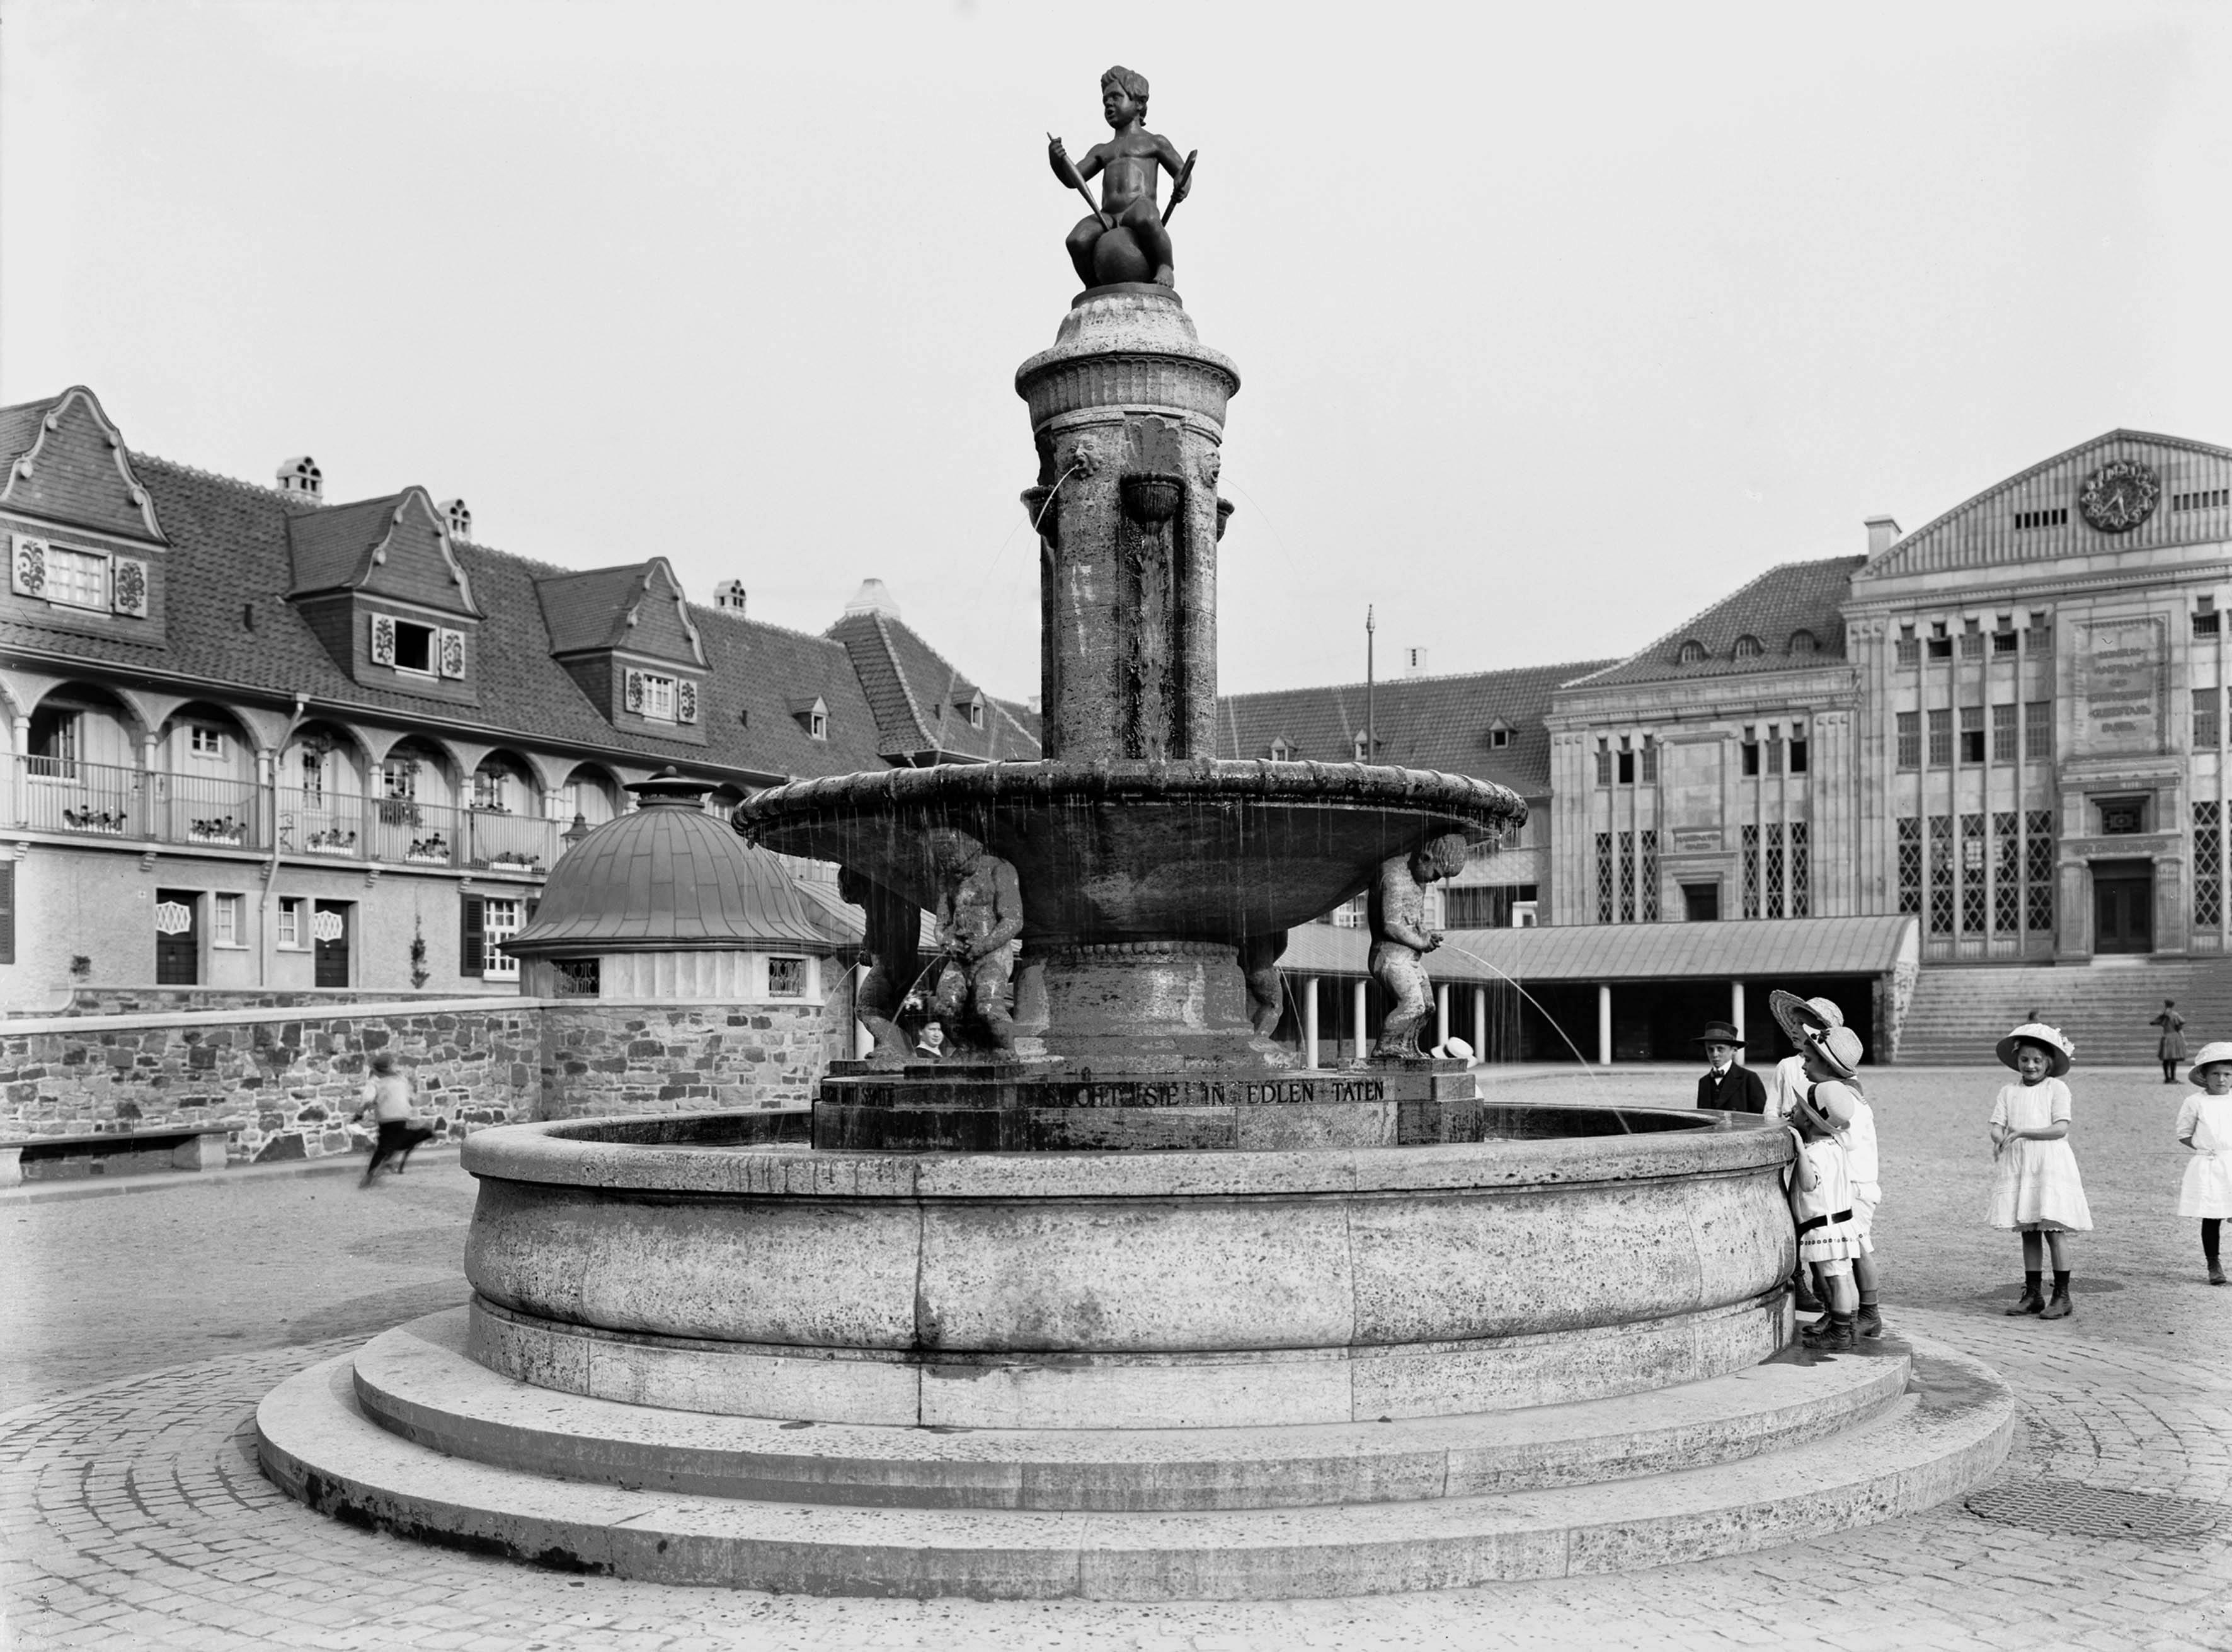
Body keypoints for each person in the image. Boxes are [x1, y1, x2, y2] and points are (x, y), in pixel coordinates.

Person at [1049, 67, 1192, 289]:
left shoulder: (1154, 142)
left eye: (1116, 97)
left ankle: (1165, 265)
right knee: (1077, 239)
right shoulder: (1102, 150)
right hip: (1107, 215)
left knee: (1148, 219)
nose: (1109, 104)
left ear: (1139, 103)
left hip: (1137, 207)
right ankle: (1094, 284)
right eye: (1105, 100)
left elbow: (1182, 172)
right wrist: (1057, 161)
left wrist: (1183, 186)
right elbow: (1073, 179)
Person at [1988, 1022, 2092, 1319]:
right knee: (2029, 1232)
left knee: (2053, 1229)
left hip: (2049, 1164)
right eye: (2025, 1060)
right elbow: (1997, 1125)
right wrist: (2000, 1138)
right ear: (2017, 1060)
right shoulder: (2009, 1091)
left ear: (2049, 1062)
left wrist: (2021, 1133)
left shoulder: (2057, 1088)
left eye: (2037, 1060)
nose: (2031, 1066)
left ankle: (2062, 1296)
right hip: (2022, 1164)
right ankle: (2033, 1294)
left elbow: (2060, 1129)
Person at [1785, 1030, 1867, 1350]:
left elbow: (1809, 1183)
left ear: (1810, 1121)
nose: (1794, 1116)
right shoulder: (1835, 1145)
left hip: (1826, 1225)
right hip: (1841, 1222)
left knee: (1835, 1275)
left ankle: (1841, 1331)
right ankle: (1841, 1324)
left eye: (1798, 1113)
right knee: (1844, 1274)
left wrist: (1800, 1151)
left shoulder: (1817, 1153)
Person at [925, 827, 1024, 1057]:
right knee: (945, 1007)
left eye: (951, 856)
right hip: (960, 957)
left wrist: (984, 946)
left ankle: (1006, 1050)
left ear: (970, 847)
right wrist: (946, 942)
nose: (948, 864)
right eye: (942, 858)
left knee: (988, 1008)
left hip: (993, 955)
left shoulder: (999, 869)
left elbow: (1013, 919)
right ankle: (965, 1048)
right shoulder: (948, 878)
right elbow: (941, 923)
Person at [1368, 835, 1470, 1058]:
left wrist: (1426, 934)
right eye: (1436, 874)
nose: (1434, 881)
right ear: (1425, 857)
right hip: (1389, 957)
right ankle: (1384, 1049)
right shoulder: (1392, 875)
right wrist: (1421, 943)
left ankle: (1407, 1047)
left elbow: (1415, 920)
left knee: (1428, 1006)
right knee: (1412, 1005)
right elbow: (1390, 925)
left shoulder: (1419, 880)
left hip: (1411, 959)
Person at [2175, 1039, 2232, 1286]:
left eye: (2227, 1074)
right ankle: (2213, 1263)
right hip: (2209, 1165)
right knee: (2212, 1216)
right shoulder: (2195, 1102)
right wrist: (2205, 1148)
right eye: (2216, 1074)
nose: (2221, 1080)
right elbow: (2184, 1133)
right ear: (2205, 1076)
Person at [351, 1051, 433, 1187]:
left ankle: (370, 1174)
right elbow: (410, 1097)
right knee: (394, 1140)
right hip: (402, 1114)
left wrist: (359, 1114)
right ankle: (421, 1134)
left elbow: (367, 1100)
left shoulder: (375, 1081)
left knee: (384, 1146)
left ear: (377, 1068)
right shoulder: (400, 1079)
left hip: (387, 1116)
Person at [1692, 1020, 1766, 1113]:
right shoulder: (1704, 1082)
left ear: (1734, 1051)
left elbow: (1761, 1118)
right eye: (1710, 1050)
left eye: (1720, 1049)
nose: (1715, 1054)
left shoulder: (1749, 1078)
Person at [2152, 999, 2187, 1085]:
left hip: (2166, 1037)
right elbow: (2180, 1027)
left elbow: (2153, 1022)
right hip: (2174, 1038)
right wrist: (2184, 1040)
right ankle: (2173, 1078)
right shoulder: (2175, 1015)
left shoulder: (2163, 1015)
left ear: (2166, 1005)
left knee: (2166, 1059)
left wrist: (2163, 1016)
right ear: (2173, 1005)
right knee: (2173, 1059)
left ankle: (2167, 1078)